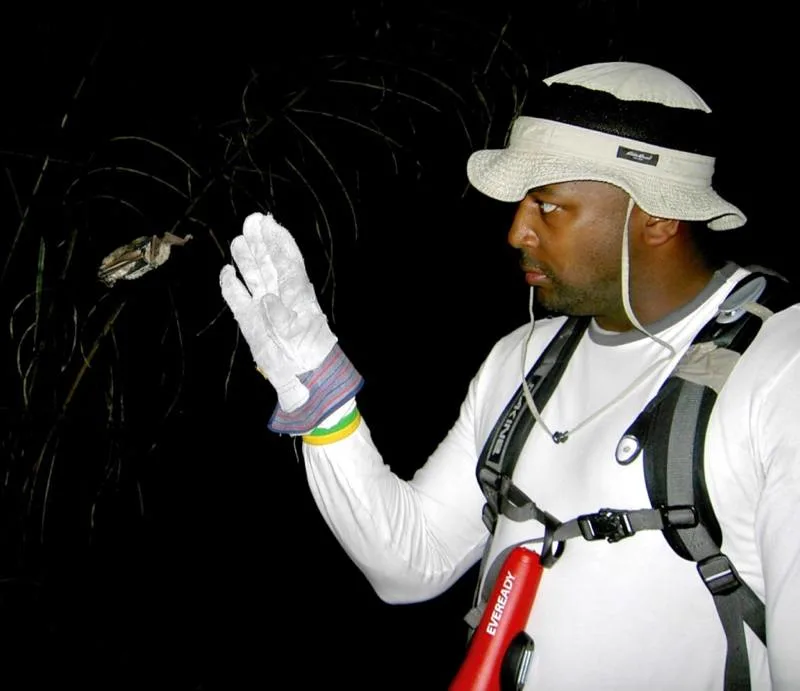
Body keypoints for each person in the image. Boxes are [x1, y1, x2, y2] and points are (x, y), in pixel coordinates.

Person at [219, 61, 800, 690]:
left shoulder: (780, 370)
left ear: (658, 217)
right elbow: (410, 565)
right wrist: (318, 392)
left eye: (548, 206)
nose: (517, 230)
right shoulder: (525, 356)